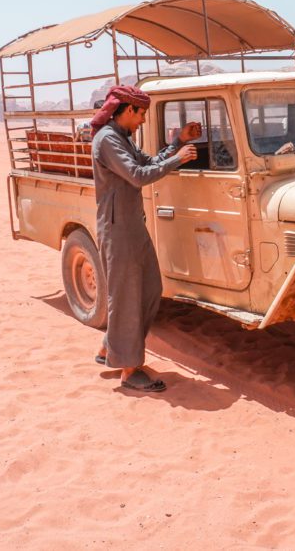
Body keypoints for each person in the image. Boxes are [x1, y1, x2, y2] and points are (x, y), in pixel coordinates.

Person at [89, 85, 200, 392]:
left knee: (150, 288)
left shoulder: (121, 137)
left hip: (130, 225)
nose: (142, 122)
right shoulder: (108, 140)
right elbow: (138, 175)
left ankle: (109, 348)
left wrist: (178, 142)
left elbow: (148, 162)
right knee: (127, 295)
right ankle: (129, 369)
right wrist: (177, 159)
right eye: (141, 115)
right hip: (118, 229)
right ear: (127, 110)